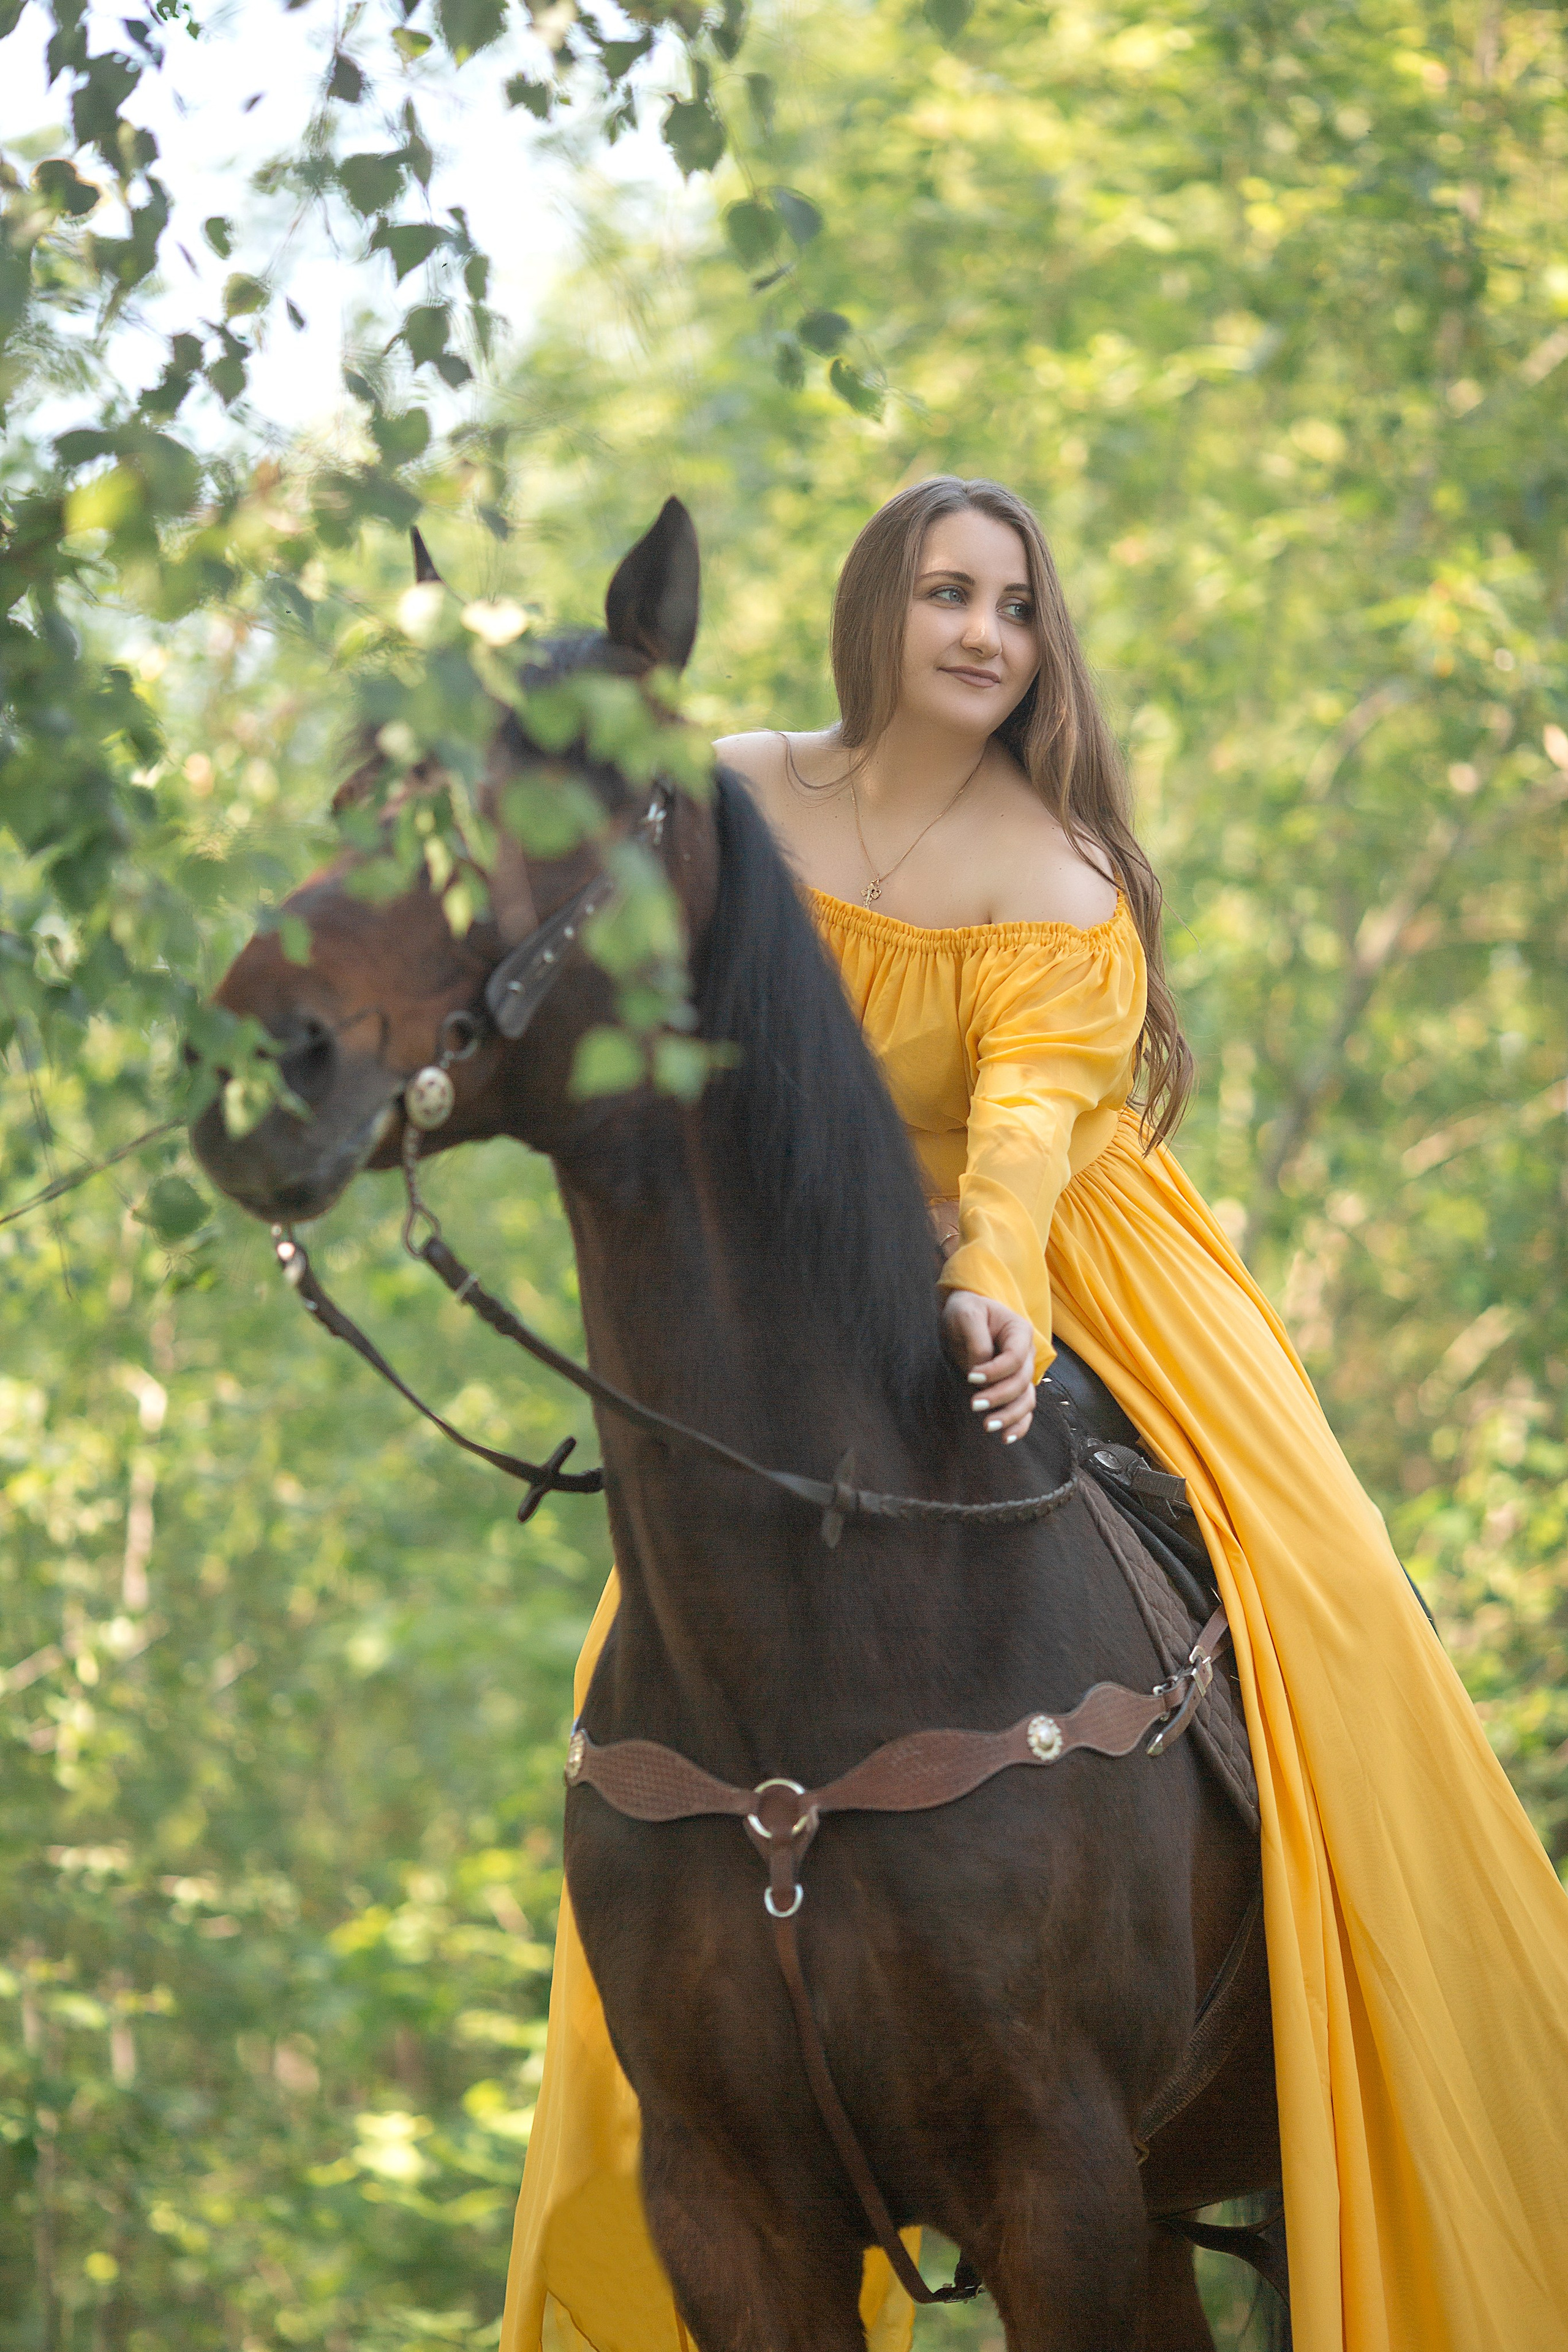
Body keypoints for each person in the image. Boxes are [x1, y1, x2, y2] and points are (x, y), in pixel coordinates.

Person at [500, 478, 1568, 2352]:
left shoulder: (1053, 867)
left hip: (1069, 1243)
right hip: (811, 1300)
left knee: (1324, 1574)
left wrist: (991, 1275)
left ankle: (1380, 1954)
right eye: (943, 595)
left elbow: (1029, 1121)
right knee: (677, 1603)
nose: (983, 633)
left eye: (1012, 602)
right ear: (874, 615)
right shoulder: (739, 792)